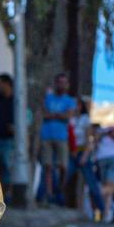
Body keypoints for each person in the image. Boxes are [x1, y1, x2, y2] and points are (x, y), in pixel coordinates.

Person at [40, 72, 76, 203]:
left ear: (67, 85)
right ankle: (49, 194)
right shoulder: (48, 98)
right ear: (55, 83)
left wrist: (53, 115)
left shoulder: (70, 100)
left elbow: (68, 116)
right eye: (59, 82)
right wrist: (59, 115)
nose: (61, 85)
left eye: (64, 82)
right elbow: (44, 113)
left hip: (61, 137)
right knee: (47, 166)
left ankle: (60, 190)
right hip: (46, 136)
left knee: (63, 166)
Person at [94, 112, 114, 223]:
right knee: (111, 186)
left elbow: (96, 137)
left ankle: (107, 213)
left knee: (108, 186)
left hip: (102, 157)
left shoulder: (106, 129)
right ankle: (97, 192)